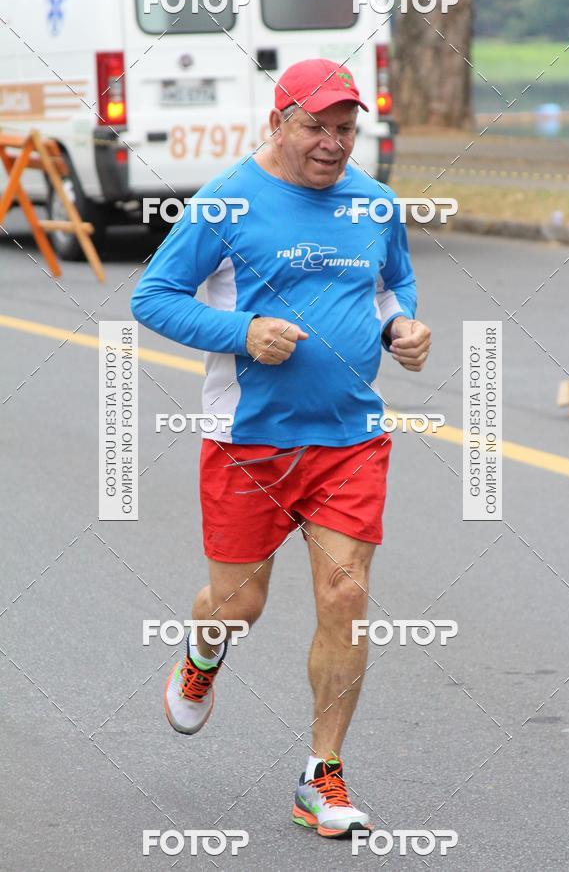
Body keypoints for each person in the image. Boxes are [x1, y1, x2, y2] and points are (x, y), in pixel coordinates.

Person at [131, 58, 431, 839]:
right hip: (251, 442)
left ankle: (320, 775)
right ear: (278, 122)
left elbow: (391, 286)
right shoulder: (227, 201)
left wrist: (402, 327)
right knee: (239, 606)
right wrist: (243, 332)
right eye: (315, 127)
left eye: (345, 129)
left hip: (349, 437)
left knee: (346, 596)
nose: (333, 143)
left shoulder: (375, 203)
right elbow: (152, 297)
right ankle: (202, 653)